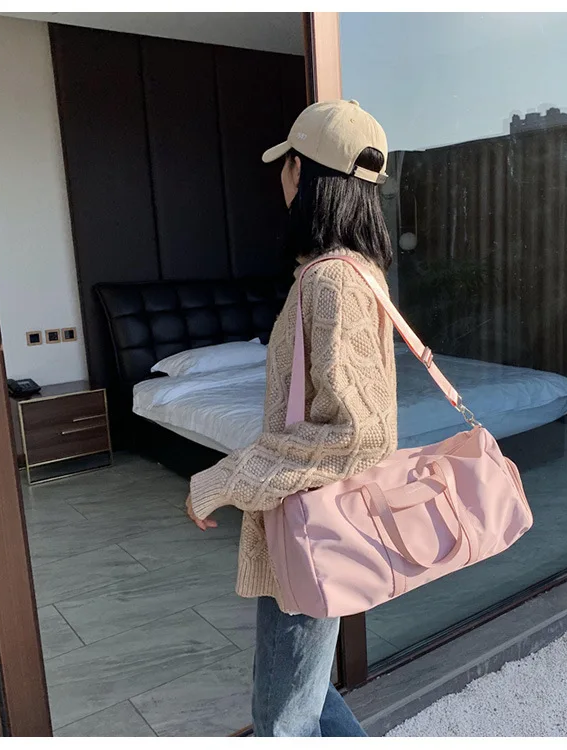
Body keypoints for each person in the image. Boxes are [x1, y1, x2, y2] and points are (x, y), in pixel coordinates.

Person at [184, 99, 398, 737]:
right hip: (317, 522)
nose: (281, 177)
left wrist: (225, 478)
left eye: (287, 165)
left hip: (311, 527)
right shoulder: (359, 272)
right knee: (303, 695)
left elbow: (362, 432)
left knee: (281, 718)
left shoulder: (330, 283)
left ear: (302, 174)